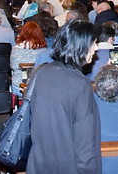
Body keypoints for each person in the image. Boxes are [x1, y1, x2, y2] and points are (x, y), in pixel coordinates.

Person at [27, 20, 100, 174]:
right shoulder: (80, 84)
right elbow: (84, 144)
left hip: (38, 162)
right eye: (94, 43)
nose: (97, 48)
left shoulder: (40, 72)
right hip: (66, 165)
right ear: (82, 46)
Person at [10, 22, 48, 95]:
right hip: (38, 86)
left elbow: (13, 66)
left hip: (19, 86)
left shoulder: (16, 50)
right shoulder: (44, 51)